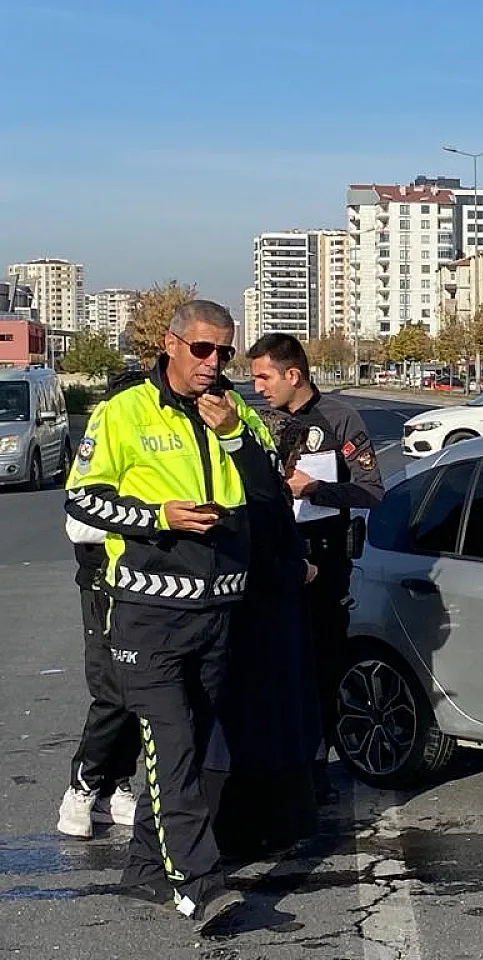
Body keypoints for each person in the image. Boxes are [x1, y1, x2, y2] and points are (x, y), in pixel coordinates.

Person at [64, 300, 272, 931]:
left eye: (224, 352)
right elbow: (83, 500)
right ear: (171, 344)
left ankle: (147, 871)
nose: (214, 363)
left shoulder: (236, 412)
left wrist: (235, 435)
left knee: (196, 750)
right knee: (172, 747)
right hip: (147, 613)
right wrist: (160, 516)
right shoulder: (123, 411)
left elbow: (268, 498)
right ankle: (199, 885)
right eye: (203, 349)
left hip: (218, 611)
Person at [247, 333, 384, 805]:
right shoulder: (257, 423)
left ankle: (316, 768)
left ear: (293, 375)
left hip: (324, 562)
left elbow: (371, 490)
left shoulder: (339, 419)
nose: (258, 387)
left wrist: (314, 490)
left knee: (322, 666)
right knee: (271, 669)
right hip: (272, 562)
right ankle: (276, 767)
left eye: (264, 377)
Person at [203, 408, 322, 861]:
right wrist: (301, 571)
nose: (295, 465)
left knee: (258, 725)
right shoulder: (258, 491)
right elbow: (260, 560)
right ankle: (254, 828)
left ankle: (260, 825)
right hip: (260, 623)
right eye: (292, 456)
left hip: (258, 622)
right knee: (262, 727)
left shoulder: (253, 485)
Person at [57, 370, 149, 840]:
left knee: (142, 691)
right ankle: (82, 786)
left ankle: (117, 784)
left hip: (147, 587)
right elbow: (78, 525)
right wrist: (146, 517)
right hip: (101, 587)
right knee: (111, 691)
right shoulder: (99, 448)